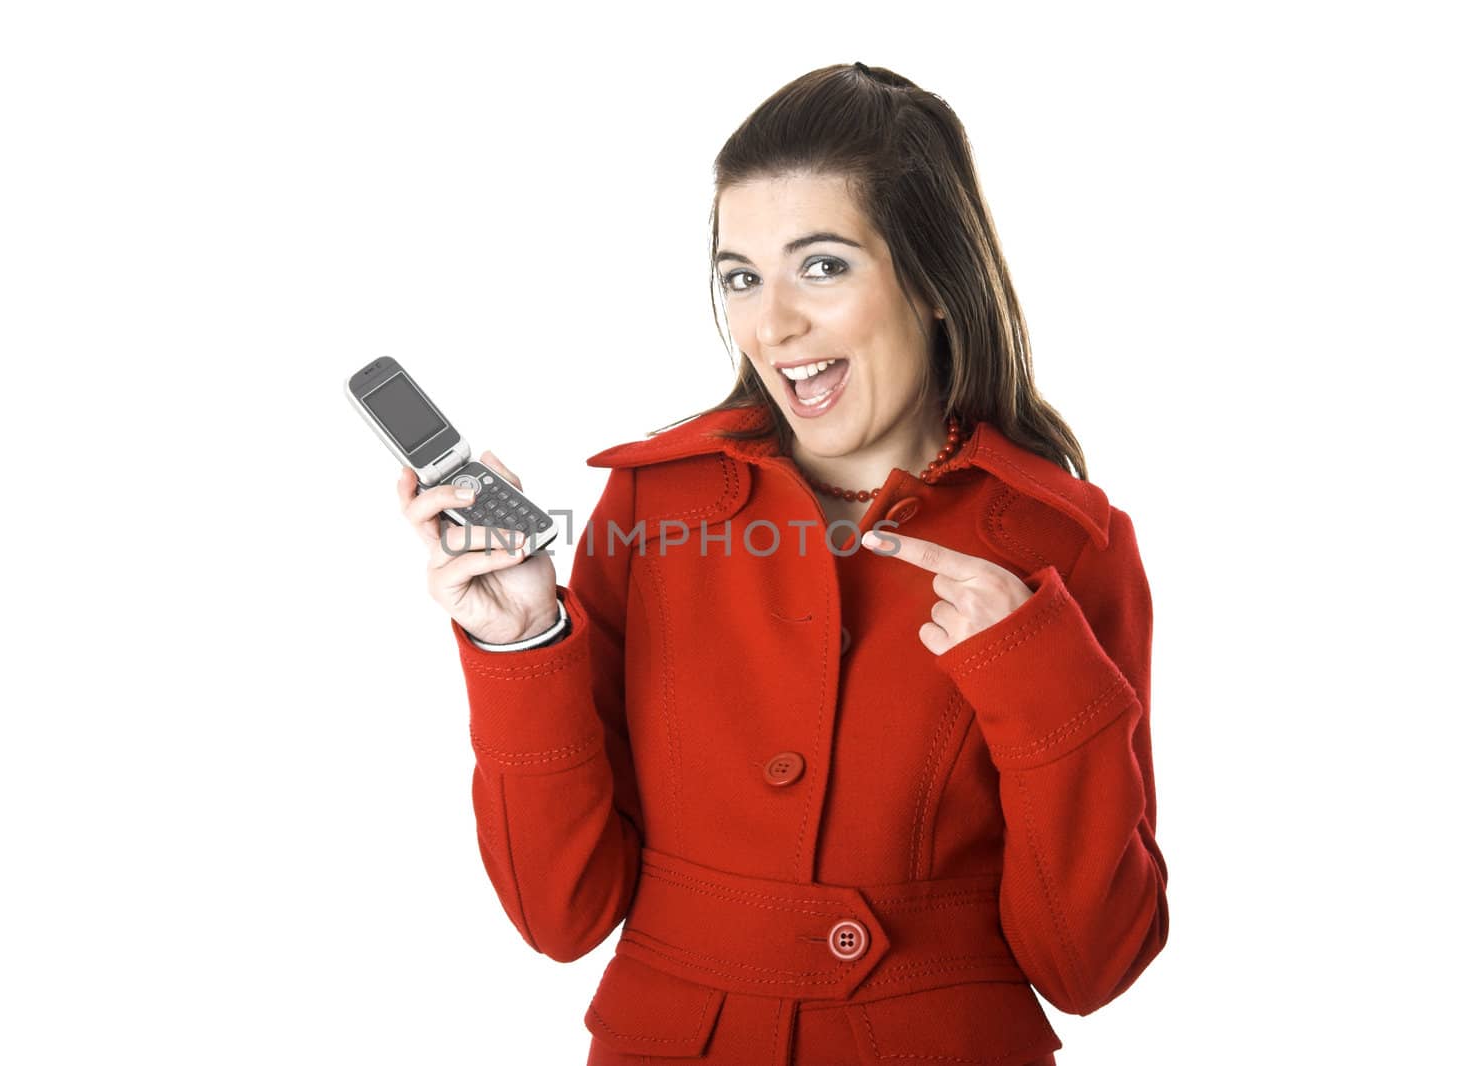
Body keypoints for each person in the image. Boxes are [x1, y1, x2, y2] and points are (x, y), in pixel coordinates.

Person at [396, 61, 1167, 1066]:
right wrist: (522, 642)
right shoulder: (650, 506)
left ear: (935, 280)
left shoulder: (1067, 543)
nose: (772, 324)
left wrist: (1035, 681)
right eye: (739, 276)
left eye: (822, 265)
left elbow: (1089, 966)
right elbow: (561, 914)